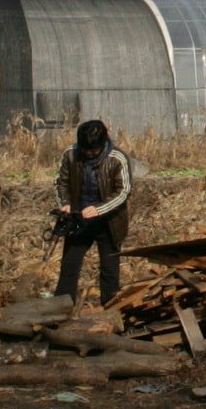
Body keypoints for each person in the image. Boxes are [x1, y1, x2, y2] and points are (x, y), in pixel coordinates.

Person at [54, 119, 131, 308]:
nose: (89, 154)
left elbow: (123, 191)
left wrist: (99, 209)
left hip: (109, 221)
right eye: (85, 151)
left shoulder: (117, 158)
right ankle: (61, 307)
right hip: (78, 219)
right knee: (69, 266)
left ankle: (110, 308)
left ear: (103, 144)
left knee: (109, 268)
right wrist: (65, 203)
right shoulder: (70, 155)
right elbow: (61, 182)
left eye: (93, 152)